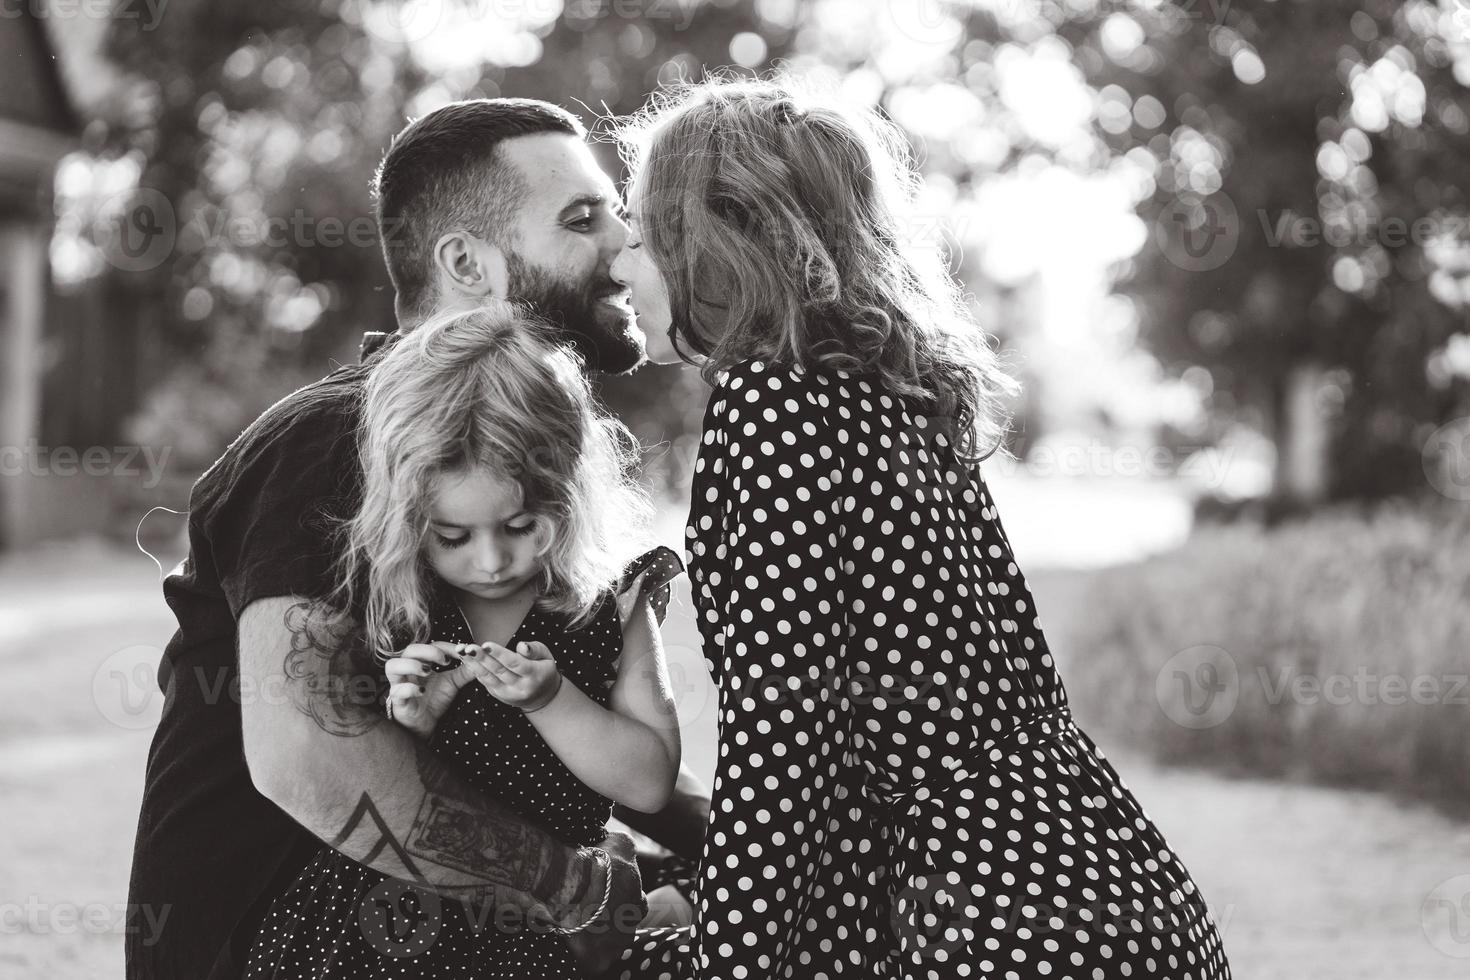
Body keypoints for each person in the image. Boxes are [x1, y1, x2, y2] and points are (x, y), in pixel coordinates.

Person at [602, 77, 1234, 979]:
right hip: (1109, 887)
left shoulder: (771, 402)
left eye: (639, 230)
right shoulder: (892, 393)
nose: (622, 263)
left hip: (986, 927)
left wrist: (723, 962)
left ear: (717, 241)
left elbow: (786, 737)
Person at [124, 98, 703, 980]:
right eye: (582, 219)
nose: (625, 243)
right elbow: (310, 758)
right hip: (284, 946)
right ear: (466, 262)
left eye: (616, 213)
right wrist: (585, 893)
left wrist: (766, 845)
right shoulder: (344, 436)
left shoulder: (530, 462)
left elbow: (595, 754)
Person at [242, 304, 685, 976]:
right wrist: (409, 725)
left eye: (520, 526)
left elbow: (650, 781)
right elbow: (369, 785)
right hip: (384, 917)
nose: (490, 562)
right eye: (453, 537)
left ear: (568, 494)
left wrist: (552, 700)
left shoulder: (609, 605)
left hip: (538, 930)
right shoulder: (405, 603)